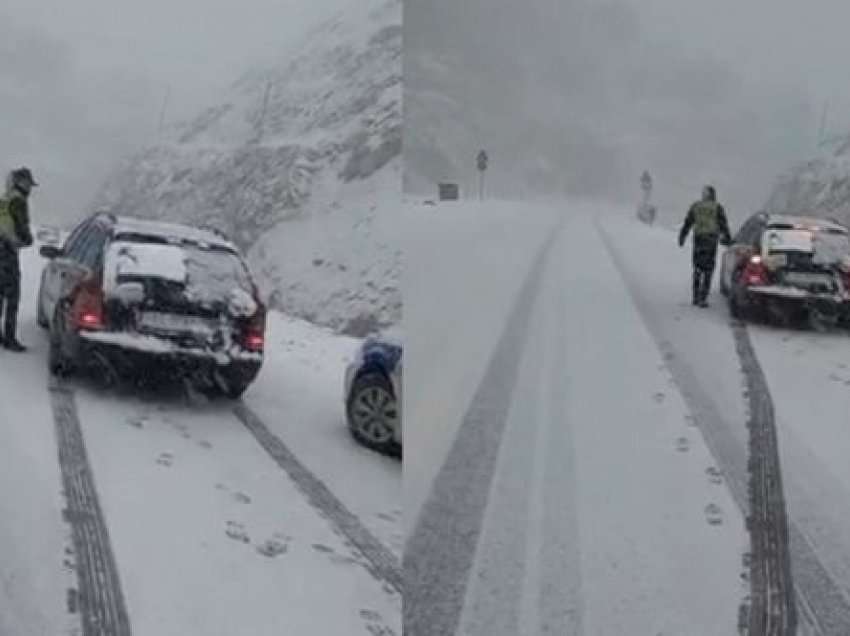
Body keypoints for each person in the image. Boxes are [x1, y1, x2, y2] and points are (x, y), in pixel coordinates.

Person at [0, 167, 36, 351]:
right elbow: (22, 228)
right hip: (8, 252)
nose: (30, 188)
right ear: (21, 182)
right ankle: (9, 338)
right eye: (28, 183)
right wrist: (27, 239)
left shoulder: (4, 198)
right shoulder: (18, 201)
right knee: (12, 297)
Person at [678, 184, 731, 308]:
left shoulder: (696, 206)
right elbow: (723, 224)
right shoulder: (717, 207)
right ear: (713, 195)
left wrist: (682, 236)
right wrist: (727, 238)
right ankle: (703, 298)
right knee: (708, 270)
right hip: (711, 241)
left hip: (699, 240)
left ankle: (695, 296)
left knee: (697, 268)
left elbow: (688, 222)